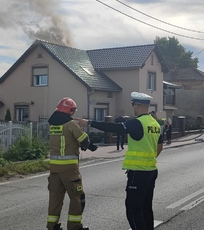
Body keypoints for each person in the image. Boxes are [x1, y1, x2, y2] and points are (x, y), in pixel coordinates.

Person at [76, 92, 163, 230]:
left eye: (133, 105)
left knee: (133, 209)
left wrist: (89, 122)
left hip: (138, 172)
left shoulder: (137, 123)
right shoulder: (155, 124)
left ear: (138, 106)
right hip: (151, 171)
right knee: (146, 208)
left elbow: (114, 128)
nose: (133, 107)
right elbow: (159, 147)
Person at [46, 97, 98, 230]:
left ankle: (52, 226)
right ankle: (75, 226)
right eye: (72, 110)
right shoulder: (71, 124)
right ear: (69, 110)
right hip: (69, 169)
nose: (73, 113)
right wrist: (91, 145)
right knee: (77, 197)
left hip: (54, 168)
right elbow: (83, 139)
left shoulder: (53, 124)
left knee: (55, 199)